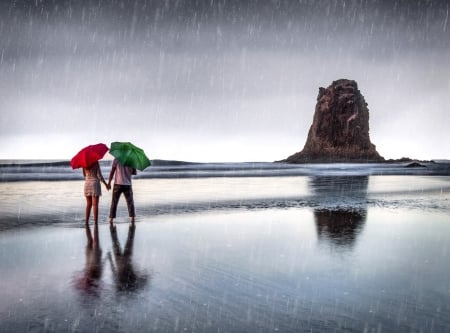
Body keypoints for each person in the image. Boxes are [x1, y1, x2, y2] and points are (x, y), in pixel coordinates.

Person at [108, 158, 136, 226]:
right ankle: (132, 218)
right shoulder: (131, 160)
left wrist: (109, 182)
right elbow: (134, 173)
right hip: (127, 184)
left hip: (118, 184)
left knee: (114, 202)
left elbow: (112, 172)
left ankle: (111, 219)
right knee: (130, 202)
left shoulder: (116, 159)